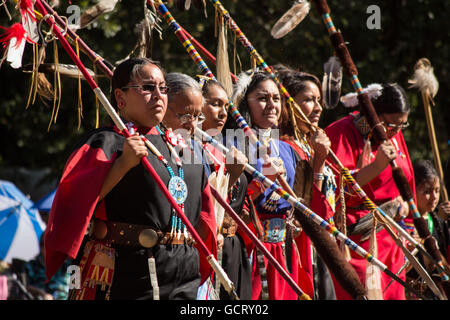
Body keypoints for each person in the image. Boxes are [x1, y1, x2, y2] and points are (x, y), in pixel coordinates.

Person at [44, 58, 217, 300]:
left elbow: (203, 214)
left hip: (184, 272)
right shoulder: (106, 142)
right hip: (130, 272)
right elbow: (73, 204)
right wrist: (122, 165)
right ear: (120, 96)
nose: (158, 95)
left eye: (163, 88)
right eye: (147, 88)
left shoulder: (184, 149)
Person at [325, 83, 414, 300]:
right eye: (392, 124)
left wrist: (407, 216)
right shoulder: (341, 132)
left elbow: (407, 179)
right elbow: (333, 190)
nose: (396, 131)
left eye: (403, 125)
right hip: (355, 243)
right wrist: (376, 167)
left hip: (391, 239)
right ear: (374, 115)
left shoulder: (393, 133)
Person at [225, 70, 301, 300]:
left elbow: (291, 199)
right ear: (245, 104)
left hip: (282, 250)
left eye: (276, 98)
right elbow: (227, 198)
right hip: (249, 248)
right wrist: (260, 181)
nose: (271, 105)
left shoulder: (287, 149)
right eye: (262, 98)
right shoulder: (232, 145)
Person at [275, 66, 337, 300]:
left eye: (319, 100)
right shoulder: (284, 147)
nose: (319, 108)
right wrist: (319, 162)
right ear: (289, 104)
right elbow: (305, 208)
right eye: (309, 100)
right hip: (302, 247)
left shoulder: (307, 145)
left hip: (322, 244)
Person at [197, 77, 253, 300]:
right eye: (215, 104)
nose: (223, 113)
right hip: (203, 250)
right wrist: (231, 176)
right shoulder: (185, 151)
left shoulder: (222, 150)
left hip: (232, 250)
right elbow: (199, 203)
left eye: (226, 106)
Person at [406, 159, 450, 299]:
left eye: (437, 190)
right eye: (427, 192)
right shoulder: (404, 224)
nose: (434, 197)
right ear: (413, 190)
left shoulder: (438, 223)